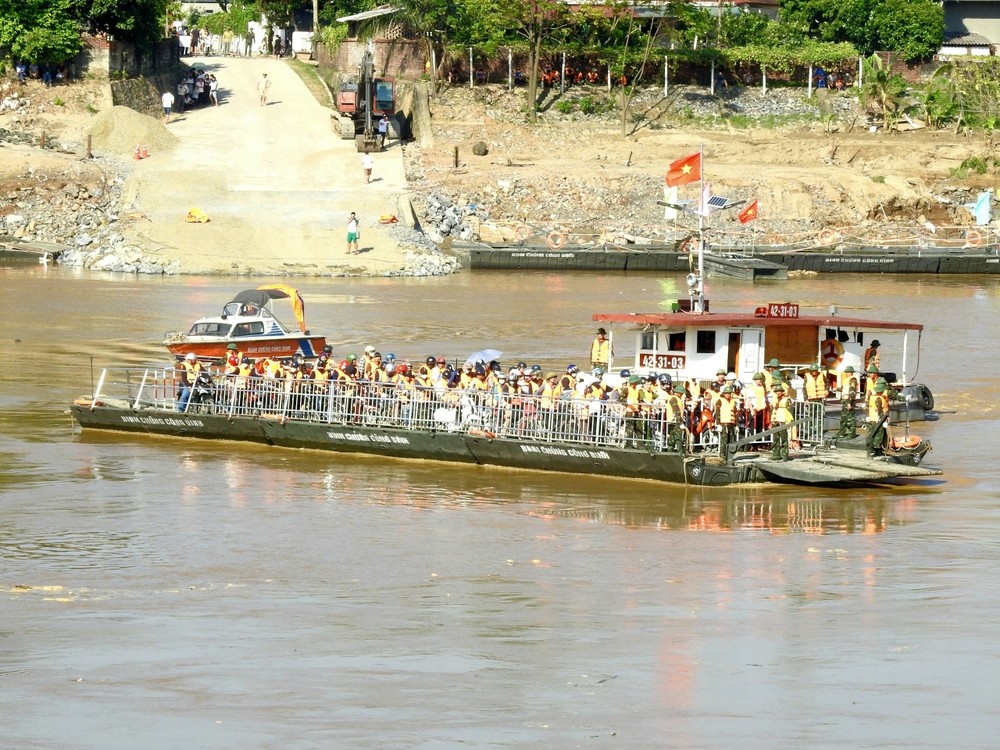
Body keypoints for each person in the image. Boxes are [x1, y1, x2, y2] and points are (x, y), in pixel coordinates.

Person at [770, 383, 792, 460]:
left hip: (783, 420)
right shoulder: (774, 399)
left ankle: (784, 454)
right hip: (775, 420)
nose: (778, 393)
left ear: (782, 392)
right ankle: (776, 454)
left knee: (783, 438)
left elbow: (789, 411)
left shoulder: (787, 399)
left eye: (779, 391)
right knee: (775, 439)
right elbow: (772, 409)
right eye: (776, 391)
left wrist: (788, 422)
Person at [836, 365, 859, 439]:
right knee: (844, 418)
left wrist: (849, 402)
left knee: (850, 418)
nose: (846, 373)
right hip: (845, 400)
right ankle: (841, 433)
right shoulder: (847, 379)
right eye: (846, 372)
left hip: (849, 401)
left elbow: (851, 392)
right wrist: (839, 389)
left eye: (848, 372)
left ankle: (851, 434)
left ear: (851, 372)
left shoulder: (853, 380)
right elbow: (845, 389)